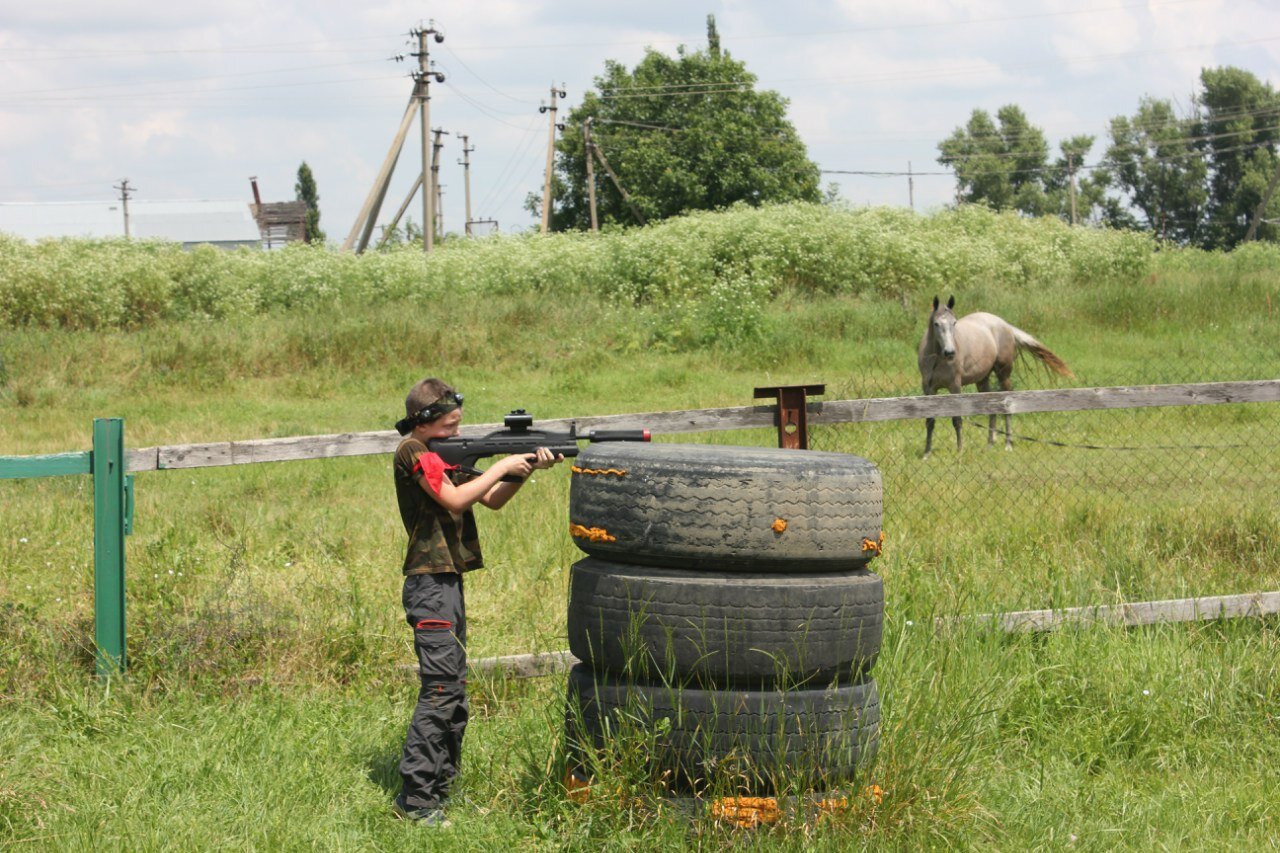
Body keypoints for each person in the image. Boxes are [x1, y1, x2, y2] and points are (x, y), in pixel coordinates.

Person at [390, 377, 562, 825]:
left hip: (448, 584)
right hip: (428, 586)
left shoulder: (444, 454)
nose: (455, 434)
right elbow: (452, 498)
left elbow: (490, 499)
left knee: (455, 690)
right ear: (425, 423)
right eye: (448, 426)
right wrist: (499, 463)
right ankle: (416, 801)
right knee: (441, 690)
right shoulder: (413, 452)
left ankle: (440, 791)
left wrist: (521, 471)